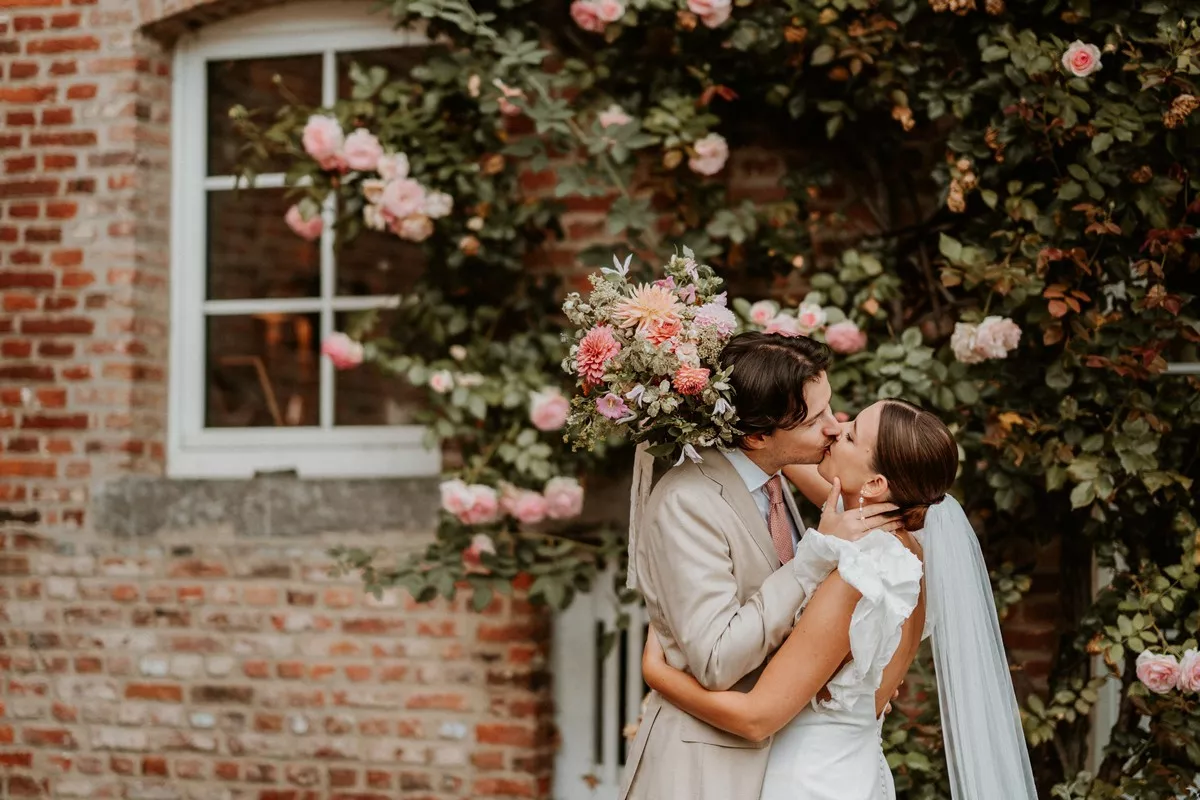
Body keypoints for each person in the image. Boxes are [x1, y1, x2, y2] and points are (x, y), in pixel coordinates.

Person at [639, 399, 1039, 800]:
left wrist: (658, 673)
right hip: (856, 767)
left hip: (810, 779)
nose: (834, 429)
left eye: (850, 434)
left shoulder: (857, 574)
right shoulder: (912, 550)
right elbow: (789, 459)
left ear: (876, 484)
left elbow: (756, 719)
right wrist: (732, 410)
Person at [619, 332, 903, 800]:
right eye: (816, 420)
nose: (835, 427)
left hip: (790, 764)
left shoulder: (772, 476)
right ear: (756, 435)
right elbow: (716, 661)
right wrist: (811, 559)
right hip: (705, 774)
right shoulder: (687, 501)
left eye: (830, 408)